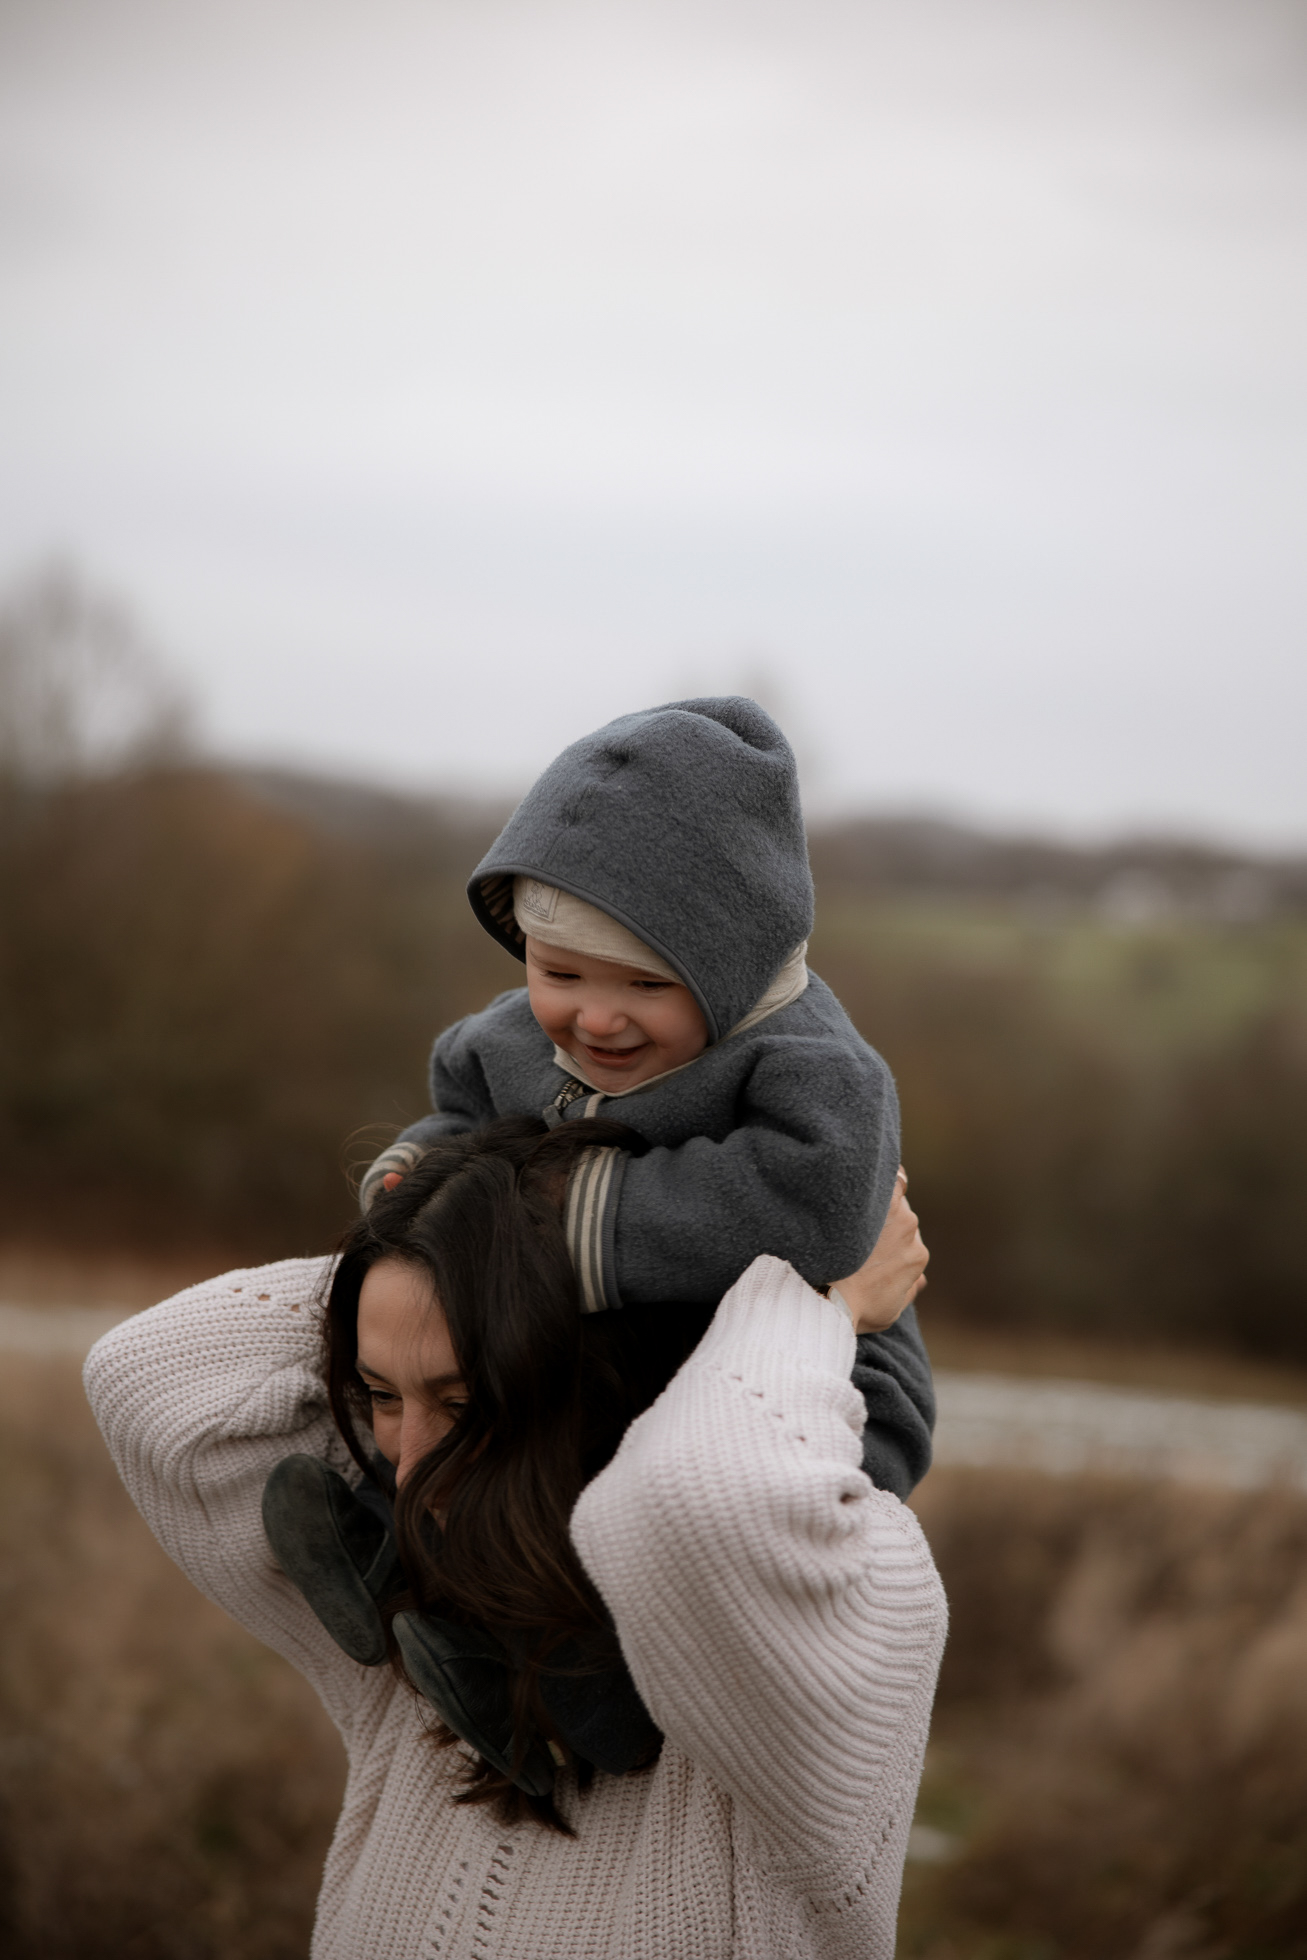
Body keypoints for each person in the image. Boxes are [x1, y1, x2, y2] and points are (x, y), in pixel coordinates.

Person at [85, 1117, 944, 1960]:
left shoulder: (852, 1622)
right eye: (381, 1395)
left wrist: (811, 1302)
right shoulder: (418, 1636)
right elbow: (148, 1379)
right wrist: (461, 1236)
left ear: (610, 1386)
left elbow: (691, 1503)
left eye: (463, 1405)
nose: (410, 1467)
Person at [361, 694, 935, 1497]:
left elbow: (821, 1202)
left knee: (617, 1459)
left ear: (732, 969)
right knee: (434, 1387)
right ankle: (385, 1543)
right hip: (603, 1371)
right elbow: (464, 1105)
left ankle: (534, 1581)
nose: (594, 1017)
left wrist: (566, 1220)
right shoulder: (515, 1036)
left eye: (646, 983)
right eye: (558, 973)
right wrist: (422, 1174)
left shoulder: (810, 1064)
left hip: (827, 1392)